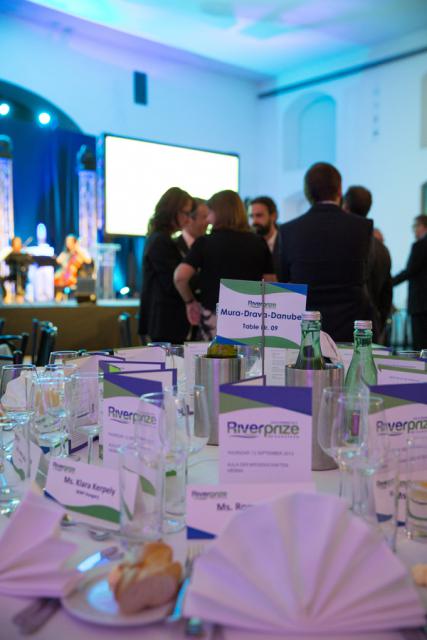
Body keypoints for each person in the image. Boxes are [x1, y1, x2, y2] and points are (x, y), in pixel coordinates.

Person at [278, 163, 374, 343]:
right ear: (339, 190)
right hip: (350, 328)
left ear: (307, 192)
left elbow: (284, 281)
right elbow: (366, 275)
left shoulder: (288, 231)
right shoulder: (362, 227)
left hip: (307, 330)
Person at [174, 189, 274, 339]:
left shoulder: (204, 243)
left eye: (210, 213)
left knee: (214, 362)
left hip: (215, 320)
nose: (207, 219)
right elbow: (271, 283)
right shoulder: (259, 242)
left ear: (219, 213)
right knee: (249, 362)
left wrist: (190, 302)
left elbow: (180, 277)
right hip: (250, 319)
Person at [138, 187, 193, 343]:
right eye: (186, 213)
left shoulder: (160, 238)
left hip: (164, 323)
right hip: (164, 324)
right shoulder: (161, 241)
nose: (188, 219)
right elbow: (171, 283)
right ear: (172, 211)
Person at [343, 186, 392, 344]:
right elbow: (386, 296)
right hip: (372, 329)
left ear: (345, 206)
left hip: (343, 330)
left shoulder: (342, 244)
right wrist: (379, 324)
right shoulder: (382, 249)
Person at [174, 198, 209, 340]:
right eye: (204, 217)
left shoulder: (209, 246)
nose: (208, 222)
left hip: (203, 325)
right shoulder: (173, 245)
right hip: (176, 322)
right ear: (190, 219)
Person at [392, 215, 427, 350]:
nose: (414, 231)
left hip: (420, 304)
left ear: (422, 226)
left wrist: (389, 283)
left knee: (421, 346)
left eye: (415, 227)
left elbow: (410, 270)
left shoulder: (420, 245)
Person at [54, 234, 92, 300]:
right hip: (66, 274)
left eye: (70, 242)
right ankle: (58, 299)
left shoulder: (81, 251)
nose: (68, 244)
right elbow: (58, 261)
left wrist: (77, 249)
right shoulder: (66, 253)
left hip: (77, 276)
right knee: (56, 278)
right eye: (67, 242)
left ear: (74, 242)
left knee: (62, 281)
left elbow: (88, 260)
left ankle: (59, 297)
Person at [249, 196, 280, 275]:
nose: (254, 221)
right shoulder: (247, 244)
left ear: (273, 216)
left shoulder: (287, 241)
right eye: (251, 216)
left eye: (259, 215)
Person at [4, 236, 33, 302]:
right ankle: (8, 296)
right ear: (12, 245)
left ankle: (21, 296)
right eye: (16, 243)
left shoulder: (24, 254)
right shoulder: (10, 255)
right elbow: (7, 260)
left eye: (19, 243)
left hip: (23, 276)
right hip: (13, 275)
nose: (18, 245)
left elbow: (30, 260)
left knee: (22, 278)